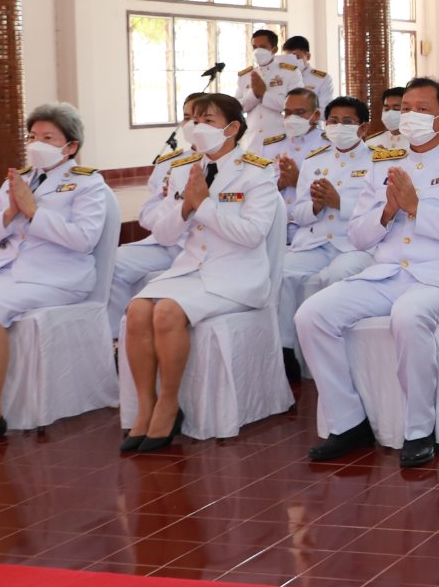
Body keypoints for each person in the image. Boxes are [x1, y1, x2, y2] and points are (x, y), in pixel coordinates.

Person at [298, 78, 439, 469]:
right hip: (388, 274)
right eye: (405, 108)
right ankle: (348, 421)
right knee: (311, 315)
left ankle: (419, 429)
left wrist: (417, 207)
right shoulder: (383, 162)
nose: (410, 116)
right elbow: (358, 236)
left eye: (422, 109)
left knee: (409, 316)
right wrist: (388, 212)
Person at [0, 103, 114, 448]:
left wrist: (33, 212)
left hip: (58, 276)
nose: (36, 143)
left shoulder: (88, 183)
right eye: (32, 136)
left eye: (48, 137)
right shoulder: (16, 181)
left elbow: (83, 240)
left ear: (70, 146)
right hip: (7, 271)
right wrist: (10, 213)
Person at [123, 93, 278, 454]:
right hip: (191, 269)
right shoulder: (182, 168)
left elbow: (252, 234)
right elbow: (162, 234)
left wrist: (203, 205)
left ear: (233, 128)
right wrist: (184, 208)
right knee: (137, 309)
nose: (197, 126)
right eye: (194, 119)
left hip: (235, 275)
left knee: (165, 311)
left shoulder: (257, 170)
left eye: (208, 120)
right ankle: (145, 405)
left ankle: (169, 404)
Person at [279, 96, 379, 376]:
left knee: (335, 277)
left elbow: (381, 213)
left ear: (363, 129)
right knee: (283, 273)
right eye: (333, 121)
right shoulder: (315, 161)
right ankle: (287, 351)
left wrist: (339, 203)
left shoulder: (377, 161)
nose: (338, 127)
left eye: (347, 122)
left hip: (354, 245)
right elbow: (298, 213)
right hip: (315, 241)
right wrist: (315, 206)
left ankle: (336, 353)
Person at [108, 92, 208, 335]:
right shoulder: (169, 164)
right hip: (167, 241)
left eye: (199, 118)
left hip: (201, 247)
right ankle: (115, 337)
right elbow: (147, 217)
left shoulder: (228, 164)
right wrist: (172, 201)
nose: (191, 124)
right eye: (186, 117)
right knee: (112, 264)